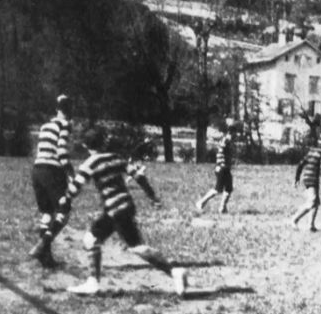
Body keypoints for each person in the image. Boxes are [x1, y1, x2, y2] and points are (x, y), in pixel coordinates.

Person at [63, 127, 186, 296]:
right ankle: (93, 282)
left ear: (85, 145)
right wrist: (152, 196)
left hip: (115, 209)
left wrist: (65, 196)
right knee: (92, 240)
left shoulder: (89, 164)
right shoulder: (115, 158)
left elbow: (75, 189)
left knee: (135, 247)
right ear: (103, 142)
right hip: (126, 205)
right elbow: (139, 177)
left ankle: (174, 271)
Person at [28, 95, 74, 268]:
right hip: (52, 171)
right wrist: (70, 172)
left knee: (47, 213)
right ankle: (43, 245)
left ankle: (45, 258)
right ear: (69, 110)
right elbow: (61, 151)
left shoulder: (45, 126)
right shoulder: (65, 125)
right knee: (65, 210)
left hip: (37, 170)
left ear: (56, 109)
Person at [195, 121, 237, 214]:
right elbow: (222, 150)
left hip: (225, 168)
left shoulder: (227, 140)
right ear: (231, 132)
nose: (236, 134)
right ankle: (200, 203)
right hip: (222, 168)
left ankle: (222, 208)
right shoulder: (227, 140)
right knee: (217, 190)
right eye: (235, 132)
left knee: (229, 188)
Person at [290, 136, 321, 232]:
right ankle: (294, 219)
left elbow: (300, 164)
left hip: (307, 179)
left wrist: (297, 178)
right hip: (312, 180)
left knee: (315, 203)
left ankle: (311, 226)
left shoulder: (311, 152)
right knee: (311, 202)